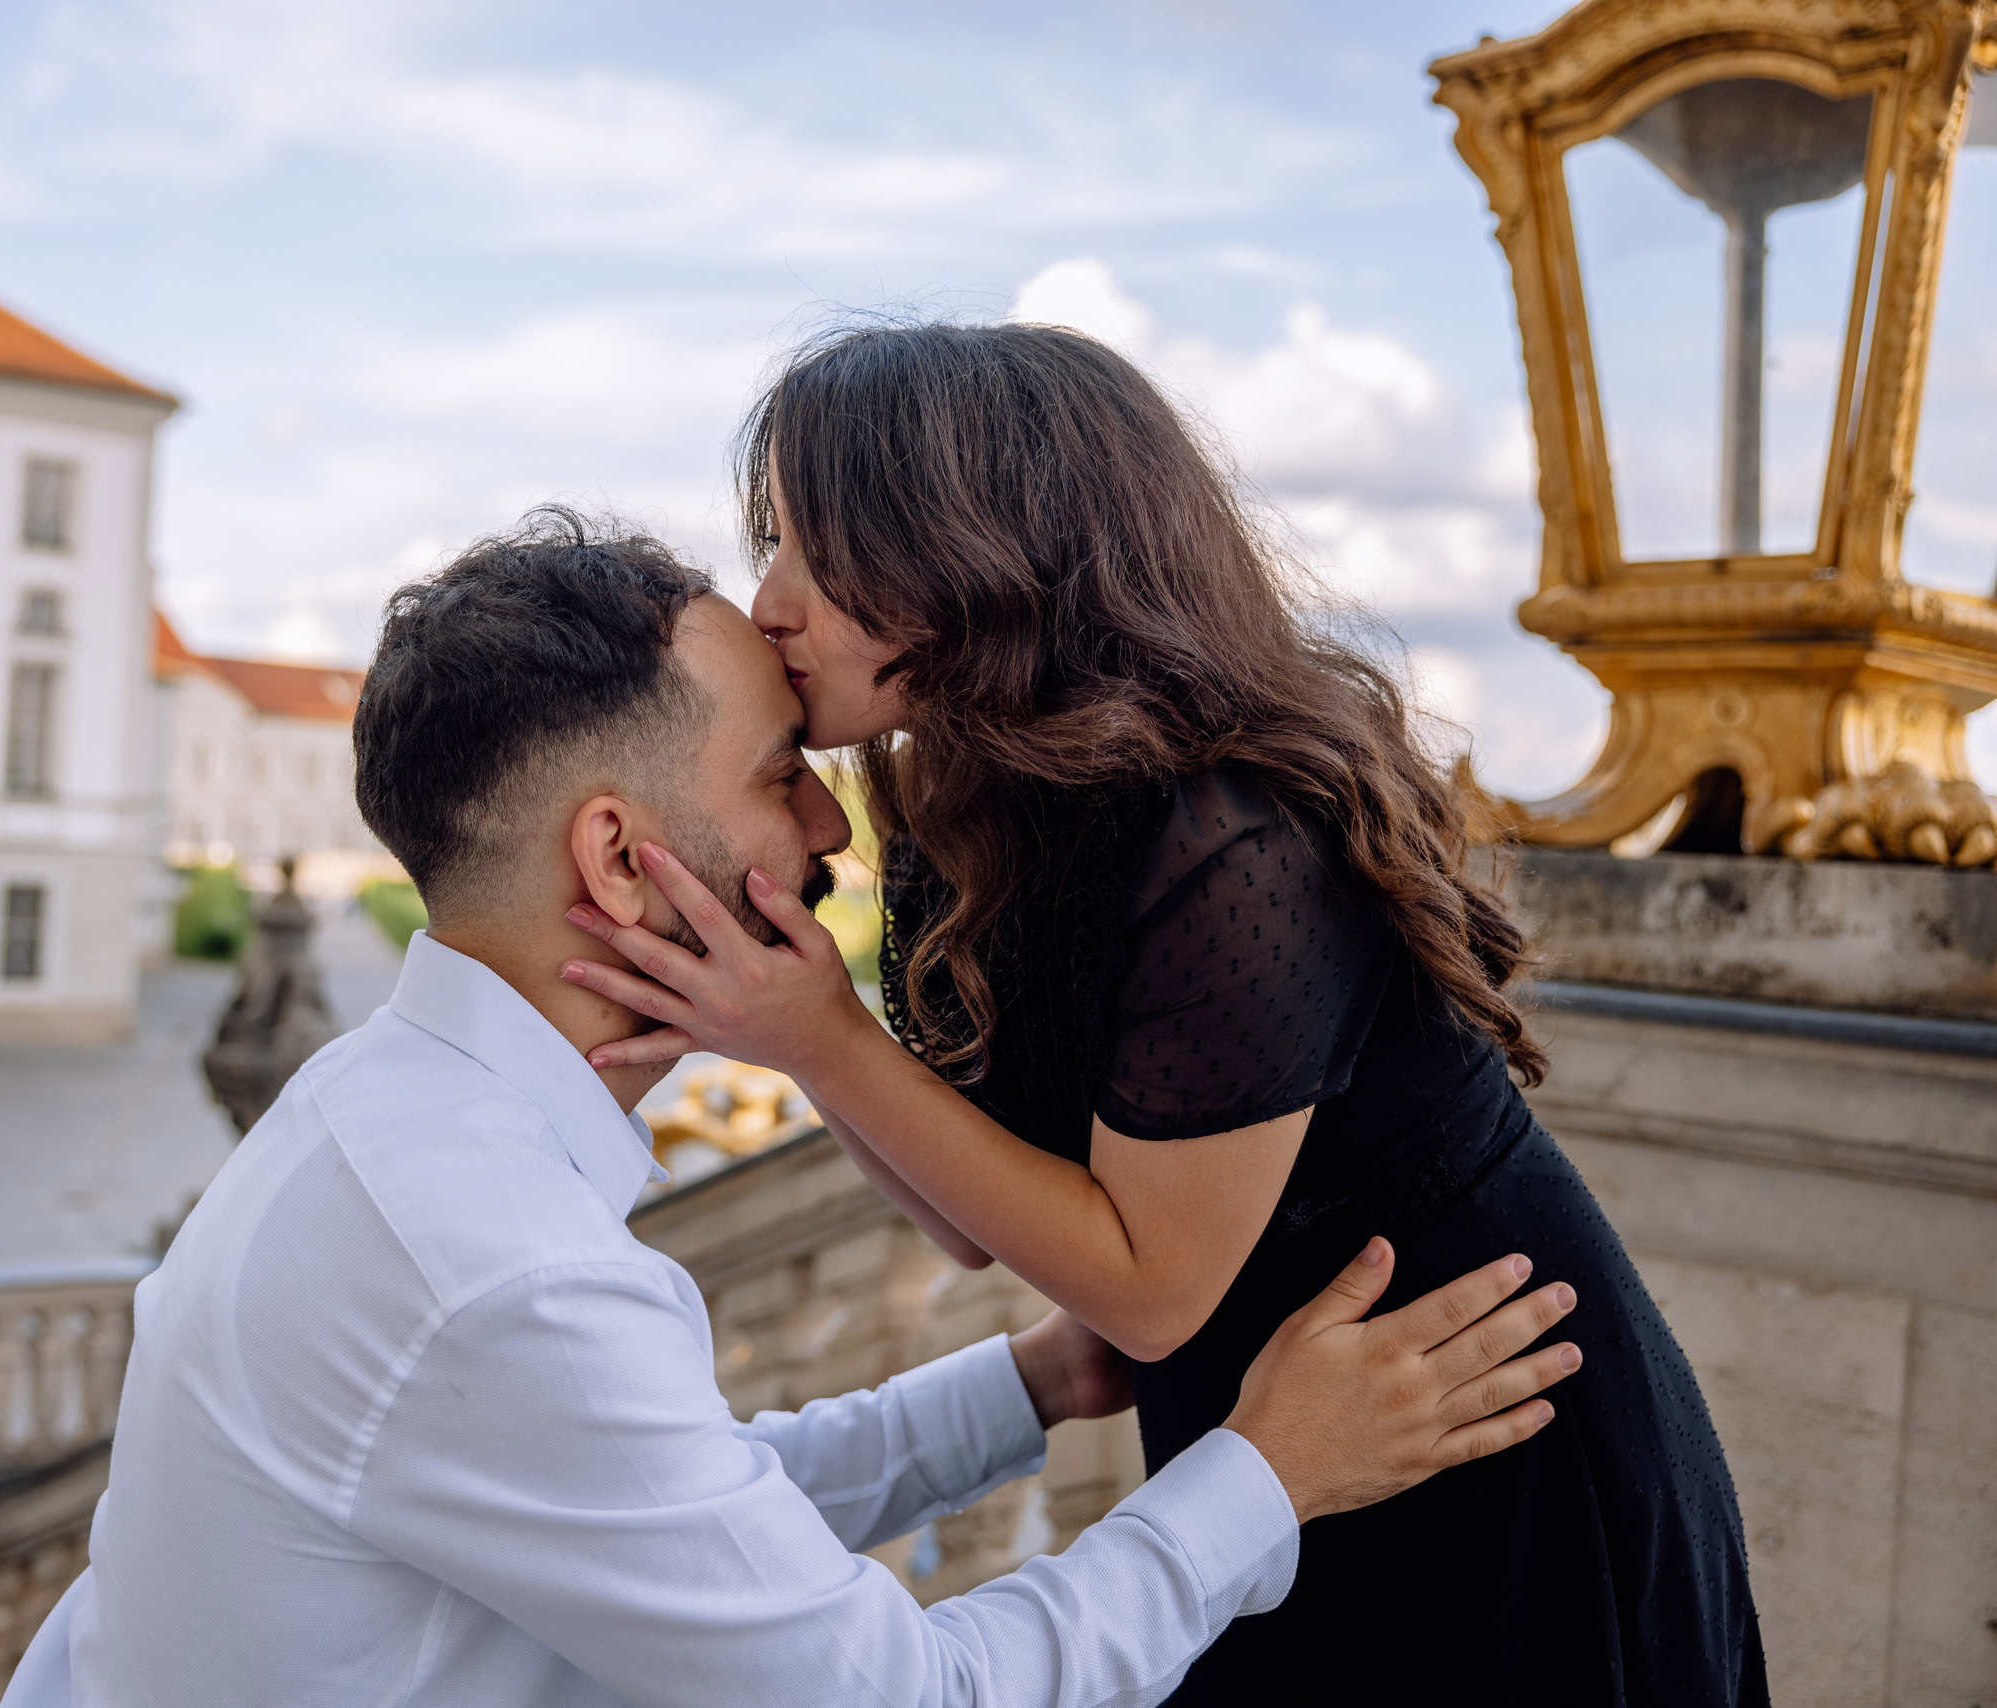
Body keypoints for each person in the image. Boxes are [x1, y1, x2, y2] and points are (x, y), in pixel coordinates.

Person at [4, 513, 1582, 1707]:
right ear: (624, 863)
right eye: (779, 775)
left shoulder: (380, 1116)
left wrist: (1029, 1384)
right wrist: (1269, 1473)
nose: (835, 815)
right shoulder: (495, 1265)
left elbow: (675, 1508)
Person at [564, 325, 1767, 1706]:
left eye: (818, 549)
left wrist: (823, 1039)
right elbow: (975, 1223)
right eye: (769, 539)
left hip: (1475, 1427)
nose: (769, 600)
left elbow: (1146, 1286)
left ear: (979, 549)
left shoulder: (1226, 835)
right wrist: (790, 1032)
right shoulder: (958, 803)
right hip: (1284, 1416)